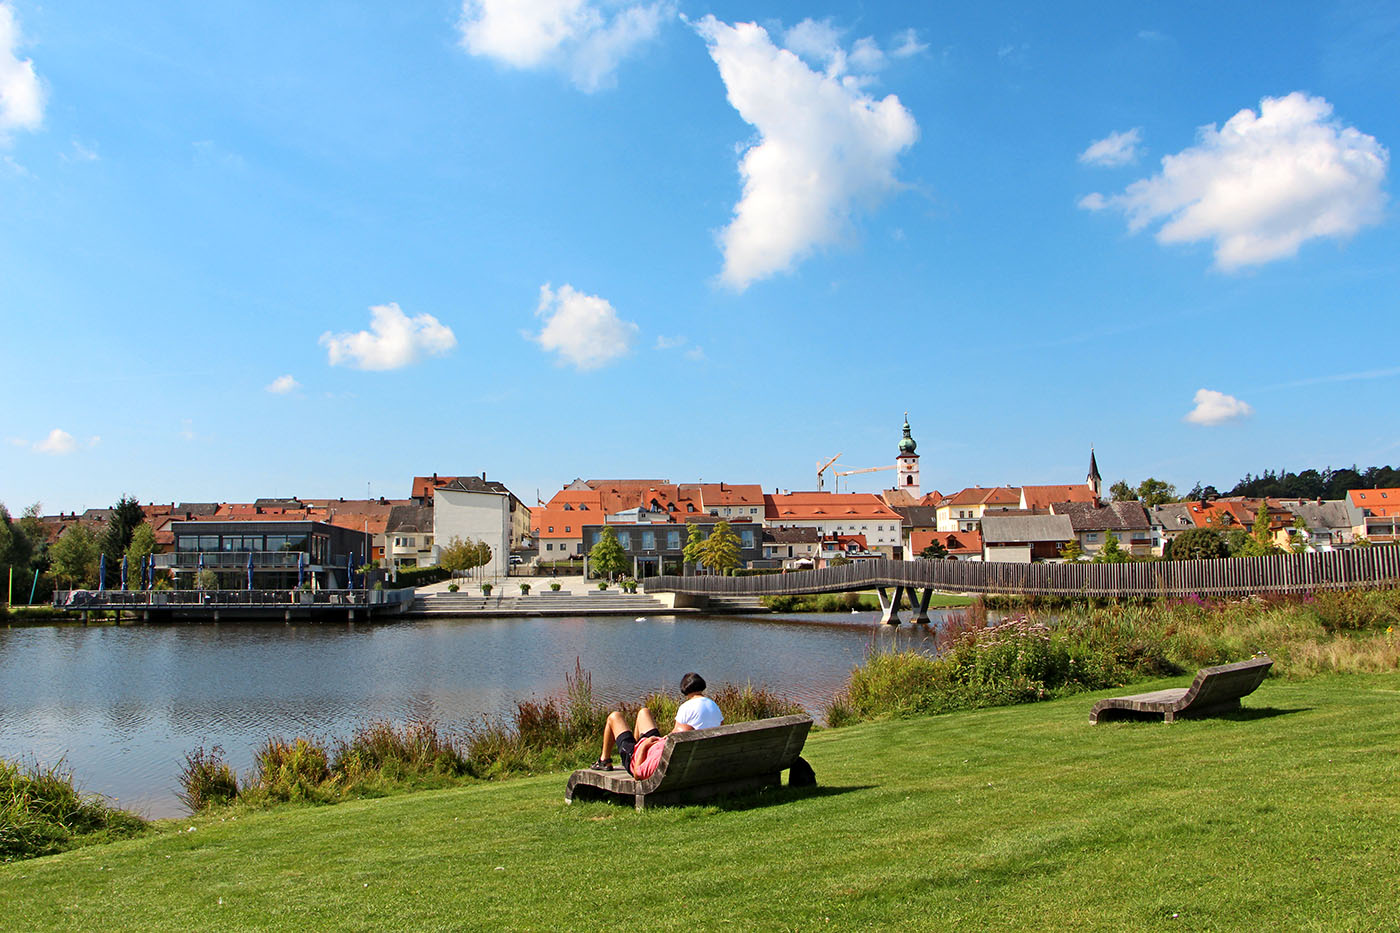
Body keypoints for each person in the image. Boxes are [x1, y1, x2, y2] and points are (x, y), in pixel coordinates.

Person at [591, 672, 723, 780]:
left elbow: (674, 736)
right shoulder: (714, 706)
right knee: (644, 712)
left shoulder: (686, 707)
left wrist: (647, 747)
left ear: (685, 689)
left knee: (614, 717)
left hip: (655, 758)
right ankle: (638, 747)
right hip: (669, 754)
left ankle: (605, 760)